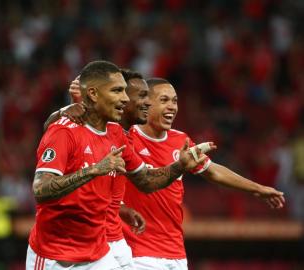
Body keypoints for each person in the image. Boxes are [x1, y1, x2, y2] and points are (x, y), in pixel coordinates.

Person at [26, 61, 212, 269]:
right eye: (117, 91)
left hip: (98, 253)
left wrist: (179, 166)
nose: (125, 98)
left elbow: (145, 180)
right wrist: (94, 170)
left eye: (125, 91)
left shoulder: (116, 134)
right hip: (57, 256)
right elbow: (41, 189)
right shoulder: (64, 131)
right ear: (94, 94)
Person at [122, 78, 286, 270]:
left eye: (174, 101)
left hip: (175, 254)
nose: (172, 107)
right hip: (138, 254)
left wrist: (257, 189)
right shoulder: (127, 139)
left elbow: (213, 171)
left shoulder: (180, 140)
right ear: (146, 104)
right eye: (164, 100)